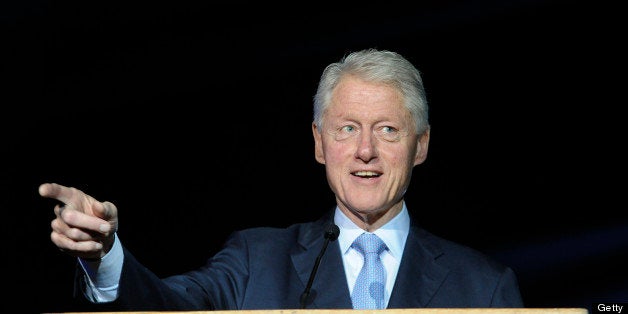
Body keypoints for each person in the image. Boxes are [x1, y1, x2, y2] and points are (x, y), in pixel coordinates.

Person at [40, 48, 524, 310]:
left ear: (420, 146)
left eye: (388, 130)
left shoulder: (484, 286)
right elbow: (169, 308)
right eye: (347, 129)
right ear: (319, 143)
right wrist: (105, 258)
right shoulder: (256, 261)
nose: (365, 151)